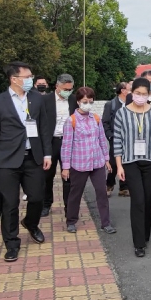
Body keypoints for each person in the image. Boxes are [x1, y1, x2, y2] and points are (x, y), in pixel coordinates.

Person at [0, 62, 53, 262]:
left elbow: (44, 128)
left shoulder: (37, 99)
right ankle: (11, 243)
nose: (31, 79)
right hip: (7, 160)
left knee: (37, 197)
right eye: (27, 76)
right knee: (10, 203)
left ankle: (31, 223)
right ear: (14, 79)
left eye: (31, 76)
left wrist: (47, 154)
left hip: (33, 157)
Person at [113, 77, 151, 257]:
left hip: (150, 161)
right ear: (131, 93)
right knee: (138, 200)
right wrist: (119, 166)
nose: (141, 96)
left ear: (149, 94)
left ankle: (145, 234)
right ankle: (139, 243)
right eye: (138, 93)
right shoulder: (122, 113)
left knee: (148, 199)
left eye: (144, 94)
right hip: (130, 162)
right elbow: (117, 141)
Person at [61, 87, 115, 234]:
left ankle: (106, 223)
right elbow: (66, 145)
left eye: (91, 101)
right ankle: (71, 221)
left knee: (102, 192)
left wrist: (106, 159)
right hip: (79, 164)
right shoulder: (71, 121)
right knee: (75, 193)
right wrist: (65, 167)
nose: (88, 104)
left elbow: (102, 139)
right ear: (78, 102)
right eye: (85, 101)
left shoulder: (96, 118)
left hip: (97, 162)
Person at [41, 73, 76, 216]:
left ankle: (69, 206)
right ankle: (46, 204)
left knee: (69, 176)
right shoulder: (45, 100)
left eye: (70, 89)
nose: (68, 92)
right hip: (51, 141)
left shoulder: (74, 100)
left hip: (68, 142)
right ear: (57, 86)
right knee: (47, 175)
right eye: (65, 89)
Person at [103, 81, 131, 198]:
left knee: (127, 162)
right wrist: (110, 135)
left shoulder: (132, 103)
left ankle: (124, 187)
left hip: (129, 138)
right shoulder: (111, 104)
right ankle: (109, 184)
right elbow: (105, 122)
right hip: (115, 138)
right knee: (114, 163)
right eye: (129, 89)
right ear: (123, 91)